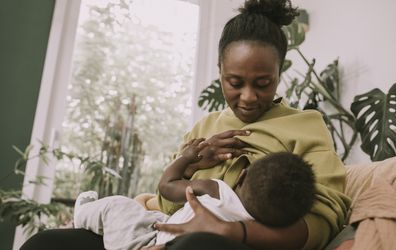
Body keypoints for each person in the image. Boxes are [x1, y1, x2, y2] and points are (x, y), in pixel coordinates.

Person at [20, 0, 351, 249]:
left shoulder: (306, 125)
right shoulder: (205, 126)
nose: (248, 97)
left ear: (281, 71)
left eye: (263, 83)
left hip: (242, 242)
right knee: (46, 244)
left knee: (198, 245)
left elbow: (324, 219)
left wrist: (234, 231)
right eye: (235, 82)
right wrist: (191, 165)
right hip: (167, 230)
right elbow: (167, 205)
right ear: (219, 69)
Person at [72, 138, 315, 249]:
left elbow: (167, 187)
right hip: (161, 228)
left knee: (117, 205)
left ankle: (82, 213)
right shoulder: (255, 233)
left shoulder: (217, 190)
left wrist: (186, 158)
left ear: (241, 176)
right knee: (144, 213)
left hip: (146, 241)